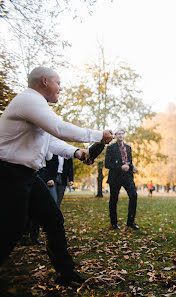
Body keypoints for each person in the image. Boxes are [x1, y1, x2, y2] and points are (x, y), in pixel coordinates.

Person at [0, 66, 113, 286]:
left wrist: (77, 152)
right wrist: (98, 135)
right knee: (10, 230)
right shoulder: (29, 100)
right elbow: (58, 128)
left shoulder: (36, 107)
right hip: (8, 173)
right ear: (44, 82)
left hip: (28, 176)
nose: (61, 88)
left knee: (53, 219)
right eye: (58, 83)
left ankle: (67, 275)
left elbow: (49, 139)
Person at [105, 128, 139, 230]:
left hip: (127, 176)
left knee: (134, 195)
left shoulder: (128, 148)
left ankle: (130, 222)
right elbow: (107, 164)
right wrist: (120, 167)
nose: (120, 135)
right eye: (118, 134)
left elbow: (129, 162)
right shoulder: (110, 148)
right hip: (115, 177)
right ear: (115, 136)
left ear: (124, 135)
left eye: (122, 134)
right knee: (114, 199)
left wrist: (133, 168)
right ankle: (114, 223)